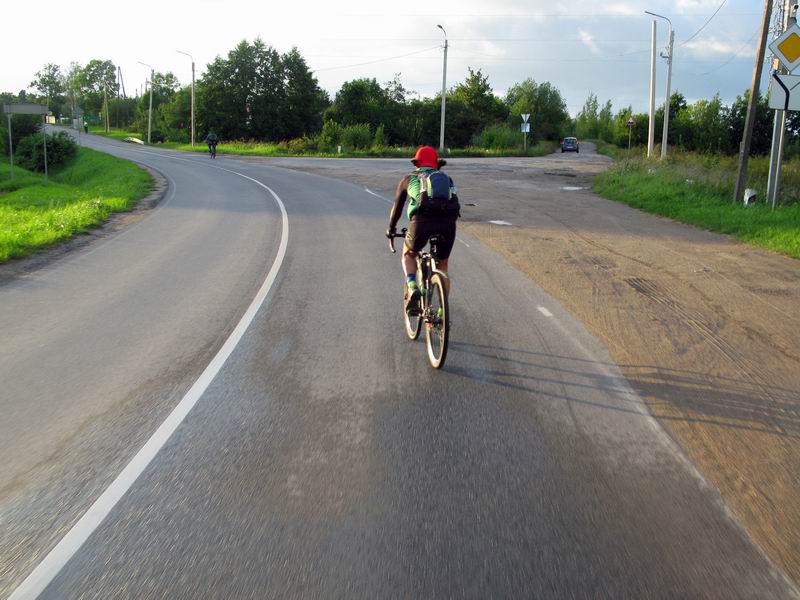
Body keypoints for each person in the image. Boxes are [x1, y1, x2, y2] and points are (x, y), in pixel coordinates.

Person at [386, 145, 460, 314]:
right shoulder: (447, 179)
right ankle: (442, 311)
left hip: (421, 222)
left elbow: (396, 210)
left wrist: (391, 229)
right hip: (448, 224)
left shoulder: (408, 179)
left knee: (408, 253)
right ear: (437, 164)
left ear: (416, 163)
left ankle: (412, 286)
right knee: (443, 265)